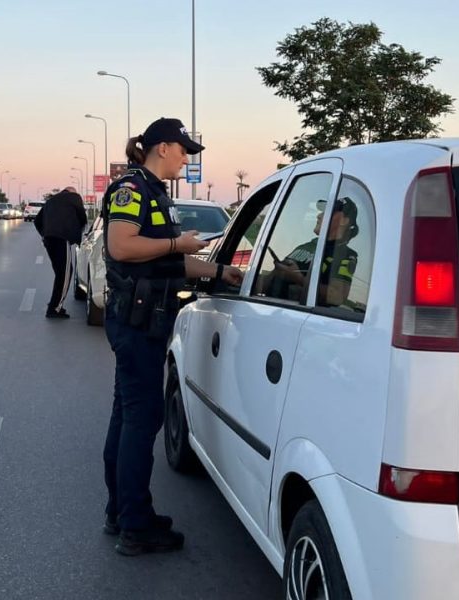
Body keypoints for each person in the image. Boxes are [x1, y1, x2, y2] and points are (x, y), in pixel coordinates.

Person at [101, 117, 244, 556]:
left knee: (128, 415)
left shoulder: (155, 193)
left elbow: (168, 263)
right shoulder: (132, 190)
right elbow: (122, 246)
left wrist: (220, 271)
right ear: (162, 147)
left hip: (145, 318)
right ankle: (135, 525)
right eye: (183, 150)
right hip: (136, 321)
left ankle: (121, 511)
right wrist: (176, 244)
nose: (186, 158)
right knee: (141, 419)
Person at [265, 197, 359, 306]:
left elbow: (337, 297)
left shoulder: (345, 255)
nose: (319, 215)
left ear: (343, 221)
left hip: (298, 314)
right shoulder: (306, 246)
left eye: (328, 212)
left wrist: (299, 279)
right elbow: (267, 281)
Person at [34, 186, 87, 318]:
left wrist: (44, 234)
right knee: (65, 274)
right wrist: (77, 232)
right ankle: (55, 308)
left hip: (49, 239)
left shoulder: (51, 200)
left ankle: (54, 305)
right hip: (62, 238)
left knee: (60, 273)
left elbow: (37, 221)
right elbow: (83, 217)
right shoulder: (74, 197)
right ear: (72, 192)